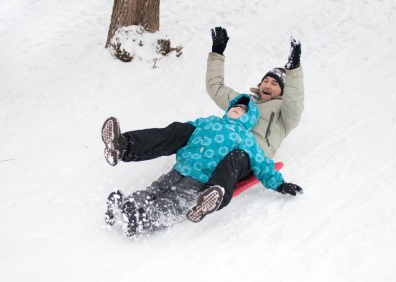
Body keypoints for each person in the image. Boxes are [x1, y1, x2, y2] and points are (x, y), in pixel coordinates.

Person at [102, 26, 304, 223]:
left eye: (275, 83)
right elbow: (216, 87)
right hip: (212, 150)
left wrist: (293, 68)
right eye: (265, 81)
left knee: (236, 156)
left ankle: (210, 195)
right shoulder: (243, 103)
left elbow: (294, 102)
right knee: (185, 129)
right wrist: (217, 53)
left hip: (248, 158)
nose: (268, 85)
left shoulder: (284, 114)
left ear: (284, 92)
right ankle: (124, 146)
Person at [103, 94, 298, 238]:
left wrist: (279, 183)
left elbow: (261, 162)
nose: (238, 108)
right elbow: (181, 131)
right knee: (156, 189)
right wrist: (180, 133)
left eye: (243, 110)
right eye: (236, 106)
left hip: (201, 179)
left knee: (175, 199)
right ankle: (126, 195)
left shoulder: (245, 137)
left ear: (249, 118)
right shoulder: (209, 121)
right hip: (180, 169)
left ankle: (144, 219)